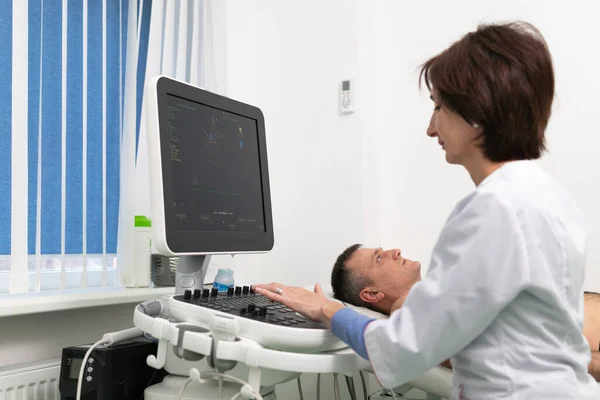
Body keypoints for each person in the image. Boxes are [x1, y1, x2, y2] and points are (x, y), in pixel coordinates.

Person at [255, 21, 600, 398]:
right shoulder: (548, 195)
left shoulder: (494, 208)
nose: (431, 128)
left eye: (439, 108)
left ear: (477, 111)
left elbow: (405, 347)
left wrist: (327, 310)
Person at [331, 244, 600, 380]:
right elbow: (469, 355)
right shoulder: (408, 308)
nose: (395, 251)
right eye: (379, 258)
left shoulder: (439, 294)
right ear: (372, 294)